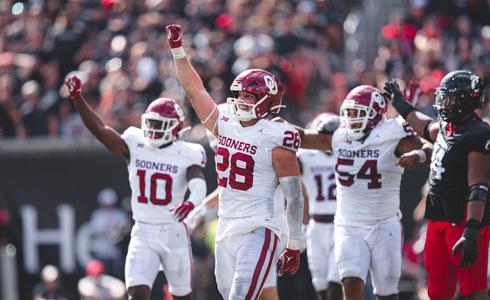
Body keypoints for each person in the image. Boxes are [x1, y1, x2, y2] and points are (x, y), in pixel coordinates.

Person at [166, 24, 305, 300]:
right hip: (226, 227)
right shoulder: (225, 122)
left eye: (250, 96)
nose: (242, 100)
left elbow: (294, 196)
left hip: (260, 228)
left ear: (268, 101)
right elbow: (194, 89)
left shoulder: (278, 137)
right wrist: (178, 50)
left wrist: (294, 243)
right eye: (240, 94)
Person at [65, 75, 208, 300]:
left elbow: (198, 181)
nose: (152, 130)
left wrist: (191, 202)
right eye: (150, 123)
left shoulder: (187, 152)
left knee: (182, 296)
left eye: (159, 125)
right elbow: (101, 130)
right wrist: (78, 99)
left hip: (174, 233)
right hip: (144, 231)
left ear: (175, 128)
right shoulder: (135, 142)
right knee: (137, 293)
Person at [297, 84, 432, 300]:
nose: (351, 118)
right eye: (348, 112)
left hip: (384, 224)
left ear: (375, 114)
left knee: (386, 293)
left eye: (357, 113)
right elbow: (303, 137)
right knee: (349, 282)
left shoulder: (390, 135)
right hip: (348, 225)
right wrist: (272, 126)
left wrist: (418, 155)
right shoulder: (340, 137)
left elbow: (431, 148)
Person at [385, 70, 490, 300]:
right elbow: (424, 126)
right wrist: (401, 104)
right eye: (443, 97)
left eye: (451, 98)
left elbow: (479, 188)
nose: (444, 103)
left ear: (468, 100)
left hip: (465, 218)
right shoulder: (448, 127)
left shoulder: (479, 134)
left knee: (473, 290)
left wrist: (472, 231)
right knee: (437, 290)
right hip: (438, 217)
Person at [298, 113, 342, 300]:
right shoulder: (305, 156)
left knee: (335, 281)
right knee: (320, 283)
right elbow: (299, 189)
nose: (328, 139)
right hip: (316, 225)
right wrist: (302, 219)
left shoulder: (347, 153)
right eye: (325, 134)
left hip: (340, 224)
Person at [89, 188, 130, 278]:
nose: (108, 207)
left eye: (110, 204)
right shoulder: (97, 215)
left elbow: (124, 231)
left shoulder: (120, 215)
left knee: (117, 277)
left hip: (116, 253)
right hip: (101, 252)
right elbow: (95, 231)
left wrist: (114, 234)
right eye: (106, 205)